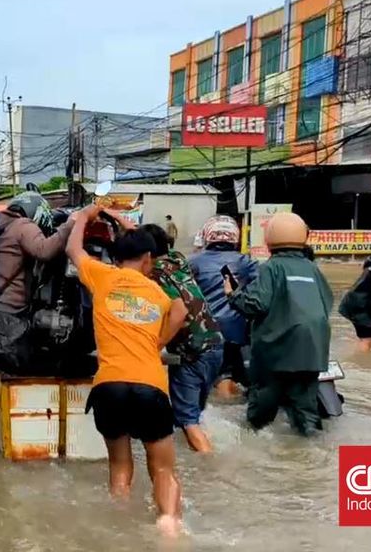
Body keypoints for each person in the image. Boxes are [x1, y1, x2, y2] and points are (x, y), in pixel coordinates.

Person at [68, 206, 187, 538]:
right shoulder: (158, 292)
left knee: (120, 466)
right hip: (150, 386)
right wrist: (158, 341)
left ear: (115, 256)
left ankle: (118, 531)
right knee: (162, 468)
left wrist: (84, 217)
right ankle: (168, 527)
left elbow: (72, 250)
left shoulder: (102, 276)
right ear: (148, 259)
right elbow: (181, 310)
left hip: (109, 387)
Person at [227, 212, 332, 437]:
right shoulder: (312, 268)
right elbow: (327, 303)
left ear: (269, 239)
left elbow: (255, 304)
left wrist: (233, 294)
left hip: (276, 351)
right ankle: (311, 450)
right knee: (306, 410)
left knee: (261, 412)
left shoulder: (271, 268)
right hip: (312, 351)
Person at [142, 224, 224, 453]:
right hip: (215, 345)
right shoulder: (177, 260)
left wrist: (156, 345)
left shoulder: (155, 274)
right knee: (194, 415)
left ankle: (211, 469)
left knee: (187, 419)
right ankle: (202, 449)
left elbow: (179, 313)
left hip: (192, 352)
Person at [0, 191, 75, 374]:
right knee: (32, 367)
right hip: (8, 321)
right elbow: (44, 250)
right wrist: (71, 224)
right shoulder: (22, 225)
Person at [189, 215, 259, 397]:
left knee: (219, 379)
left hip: (205, 331)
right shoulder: (246, 262)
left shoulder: (193, 262)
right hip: (237, 332)